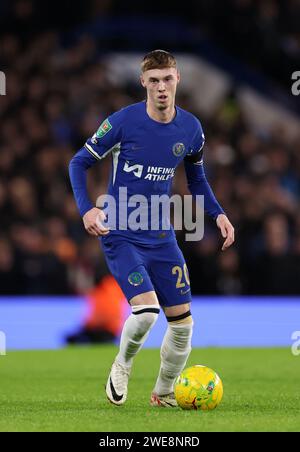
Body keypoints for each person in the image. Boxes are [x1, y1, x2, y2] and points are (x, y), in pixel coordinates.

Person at [69, 50, 235, 407]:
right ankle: (122, 363)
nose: (162, 87)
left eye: (168, 79)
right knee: (146, 312)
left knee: (183, 327)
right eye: (154, 80)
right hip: (122, 232)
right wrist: (86, 211)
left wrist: (218, 214)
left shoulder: (190, 128)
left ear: (178, 79)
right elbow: (78, 162)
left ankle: (162, 393)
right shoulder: (122, 122)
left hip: (162, 236)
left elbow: (197, 179)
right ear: (143, 82)